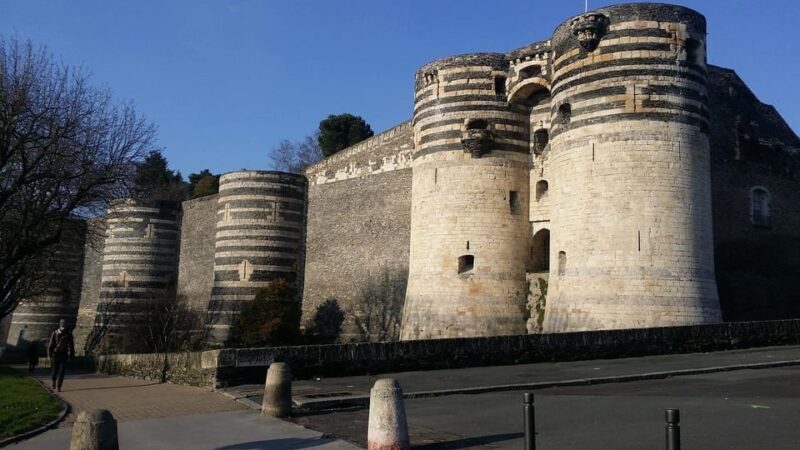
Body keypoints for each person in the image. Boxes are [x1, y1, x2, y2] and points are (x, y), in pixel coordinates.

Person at [47, 319, 75, 392]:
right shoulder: (55, 333)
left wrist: (72, 355)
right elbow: (51, 345)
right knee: (55, 370)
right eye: (62, 326)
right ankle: (53, 381)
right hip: (56, 354)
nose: (63, 327)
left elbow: (71, 345)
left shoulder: (69, 334)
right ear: (60, 325)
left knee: (62, 371)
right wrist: (49, 355)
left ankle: (59, 386)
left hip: (64, 354)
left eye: (64, 326)